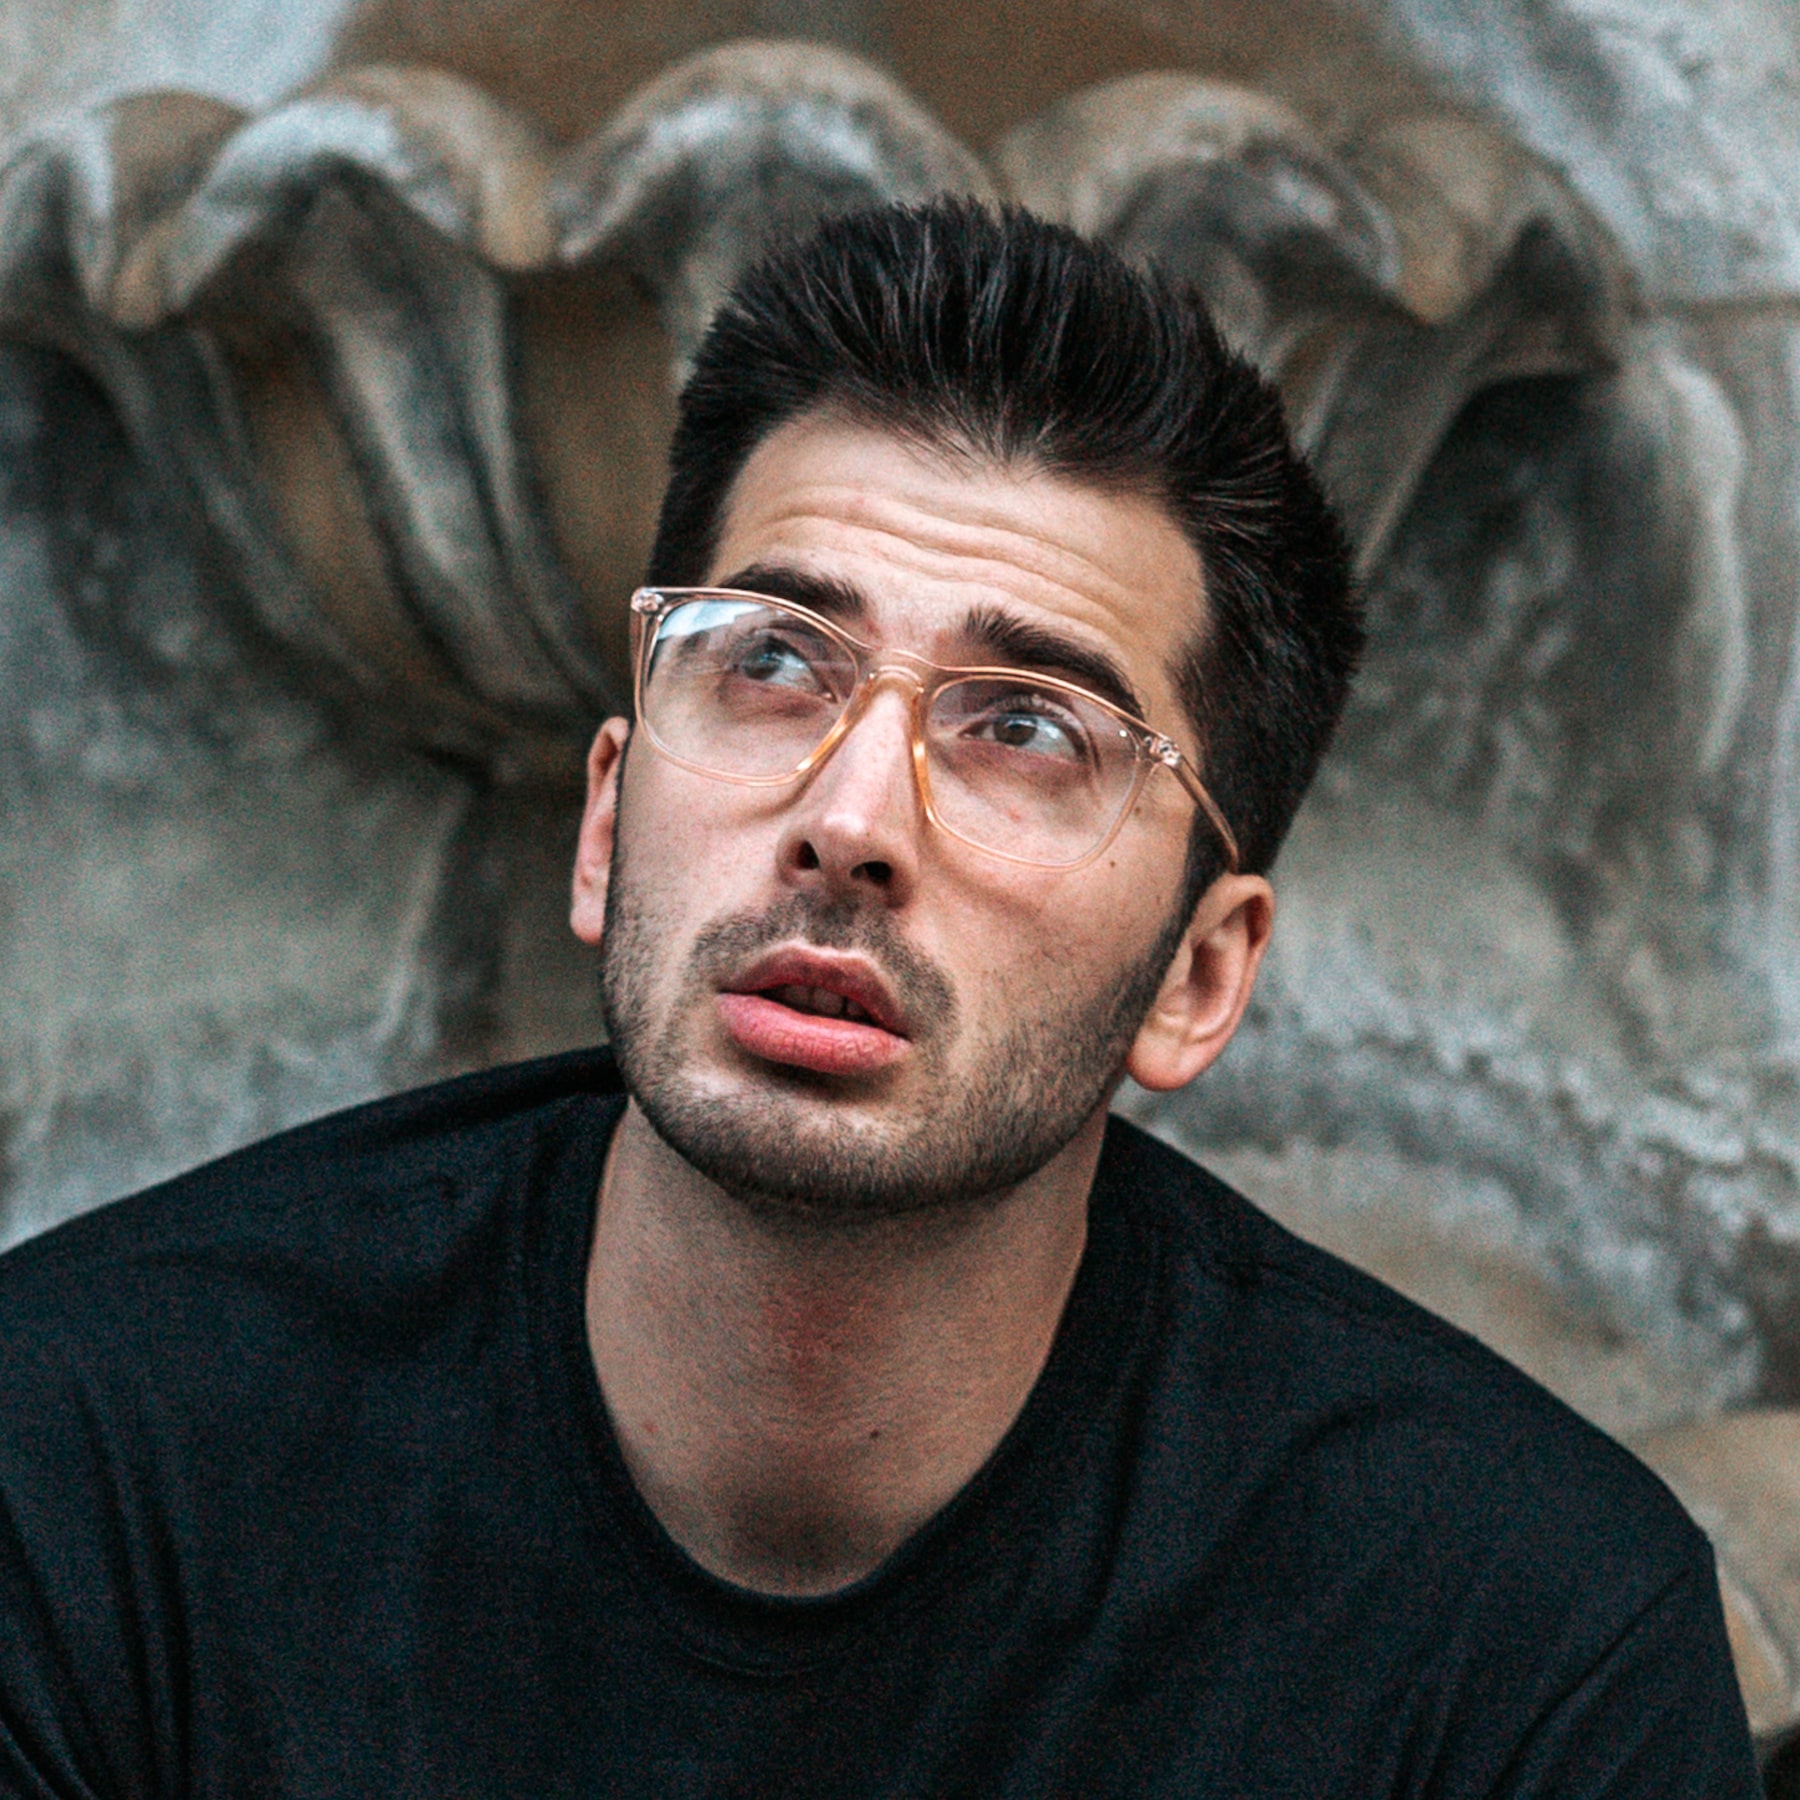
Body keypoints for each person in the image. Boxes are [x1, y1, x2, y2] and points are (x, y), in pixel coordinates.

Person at [0, 199, 1759, 1796]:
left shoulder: (1517, 1646)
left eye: (1029, 729)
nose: (848, 822)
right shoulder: (86, 1456)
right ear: (609, 823)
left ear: (1199, 974)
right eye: (773, 660)